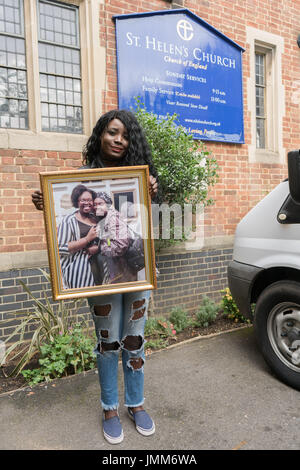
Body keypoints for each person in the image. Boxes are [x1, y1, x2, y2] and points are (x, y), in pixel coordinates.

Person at [32, 109, 158, 445]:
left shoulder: (142, 178)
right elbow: (69, 235)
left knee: (134, 339)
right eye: (113, 133)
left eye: (126, 136)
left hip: (136, 276)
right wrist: (45, 204)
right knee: (107, 342)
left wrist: (153, 193)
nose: (119, 140)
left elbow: (142, 229)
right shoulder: (81, 181)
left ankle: (136, 403)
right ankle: (109, 408)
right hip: (102, 280)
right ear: (100, 134)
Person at [88, 192, 138, 285]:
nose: (96, 207)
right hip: (115, 269)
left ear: (108, 205)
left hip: (121, 271)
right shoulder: (102, 218)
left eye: (100, 204)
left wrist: (99, 249)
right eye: (95, 204)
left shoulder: (113, 218)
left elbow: (121, 245)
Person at [57, 184, 98, 289]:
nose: (87, 203)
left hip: (102, 269)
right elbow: (60, 248)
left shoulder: (97, 218)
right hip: (81, 272)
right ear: (77, 202)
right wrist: (87, 239)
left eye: (89, 200)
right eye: (83, 200)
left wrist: (98, 248)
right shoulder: (68, 221)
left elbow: (108, 241)